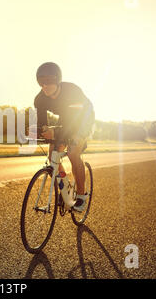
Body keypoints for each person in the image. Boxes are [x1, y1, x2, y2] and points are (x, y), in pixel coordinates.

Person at [33, 62, 95, 212]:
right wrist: (40, 132)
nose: (45, 85)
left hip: (82, 118)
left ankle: (81, 196)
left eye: (48, 81)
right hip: (66, 119)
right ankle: (65, 185)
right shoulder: (40, 99)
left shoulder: (72, 91)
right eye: (41, 82)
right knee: (52, 155)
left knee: (73, 152)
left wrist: (58, 133)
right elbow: (42, 124)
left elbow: (74, 123)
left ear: (58, 79)